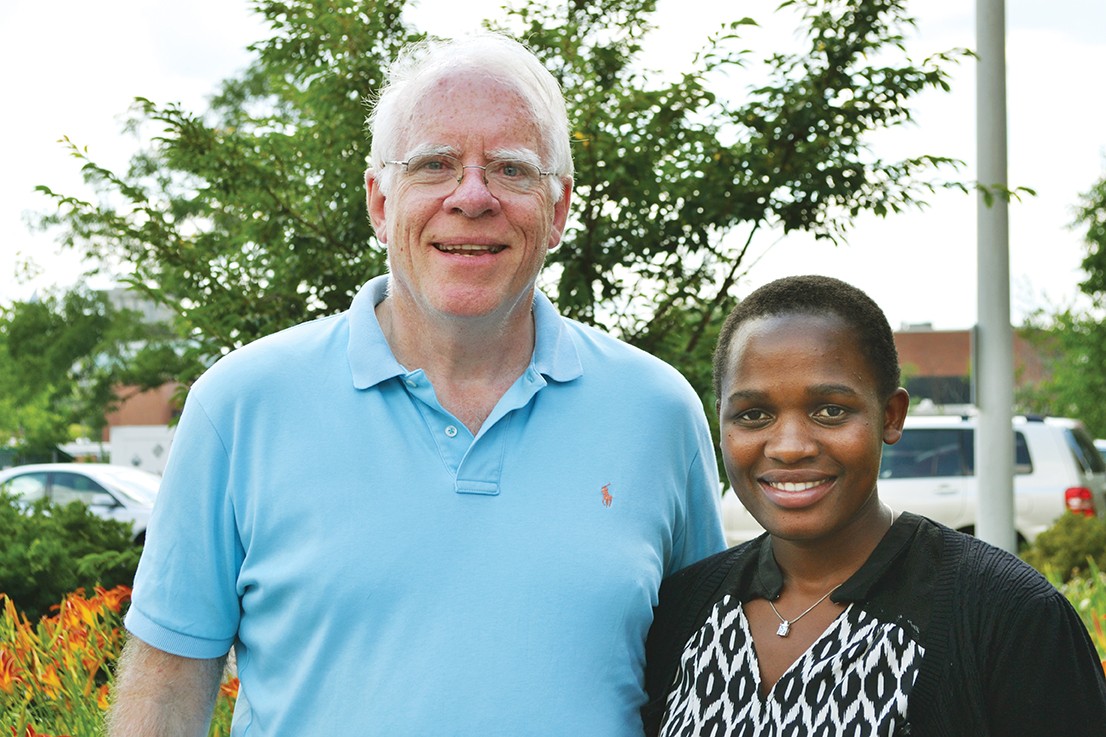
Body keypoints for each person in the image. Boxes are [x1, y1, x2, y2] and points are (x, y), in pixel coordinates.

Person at [106, 33, 726, 737]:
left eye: (511, 170)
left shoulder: (659, 412)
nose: (471, 196)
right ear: (378, 200)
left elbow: (702, 681)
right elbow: (166, 687)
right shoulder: (239, 406)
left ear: (558, 211)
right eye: (434, 164)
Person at [641, 275, 1106, 736]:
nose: (789, 447)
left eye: (830, 410)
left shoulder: (1005, 615)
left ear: (890, 416)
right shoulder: (684, 609)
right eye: (753, 415)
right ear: (721, 420)